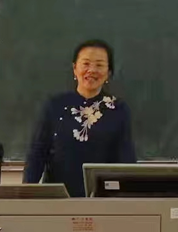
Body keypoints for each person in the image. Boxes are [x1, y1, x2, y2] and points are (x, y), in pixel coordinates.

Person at [24, 39, 136, 197]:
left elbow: (126, 161)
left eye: (99, 65)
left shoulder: (118, 109)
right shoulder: (54, 105)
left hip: (102, 200)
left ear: (108, 73)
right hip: (57, 198)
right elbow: (37, 154)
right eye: (86, 63)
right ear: (75, 69)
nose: (92, 70)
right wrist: (26, 195)